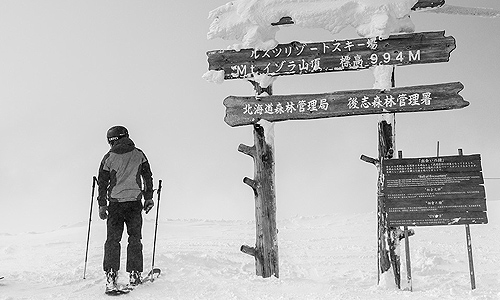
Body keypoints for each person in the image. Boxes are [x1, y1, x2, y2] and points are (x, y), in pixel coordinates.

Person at [97, 125, 154, 292]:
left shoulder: (109, 157)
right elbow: (147, 176)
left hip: (115, 205)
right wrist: (149, 198)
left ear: (111, 140)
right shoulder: (139, 154)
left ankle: (111, 276)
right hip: (134, 204)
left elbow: (102, 183)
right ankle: (135, 275)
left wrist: (102, 205)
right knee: (134, 239)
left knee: (113, 240)